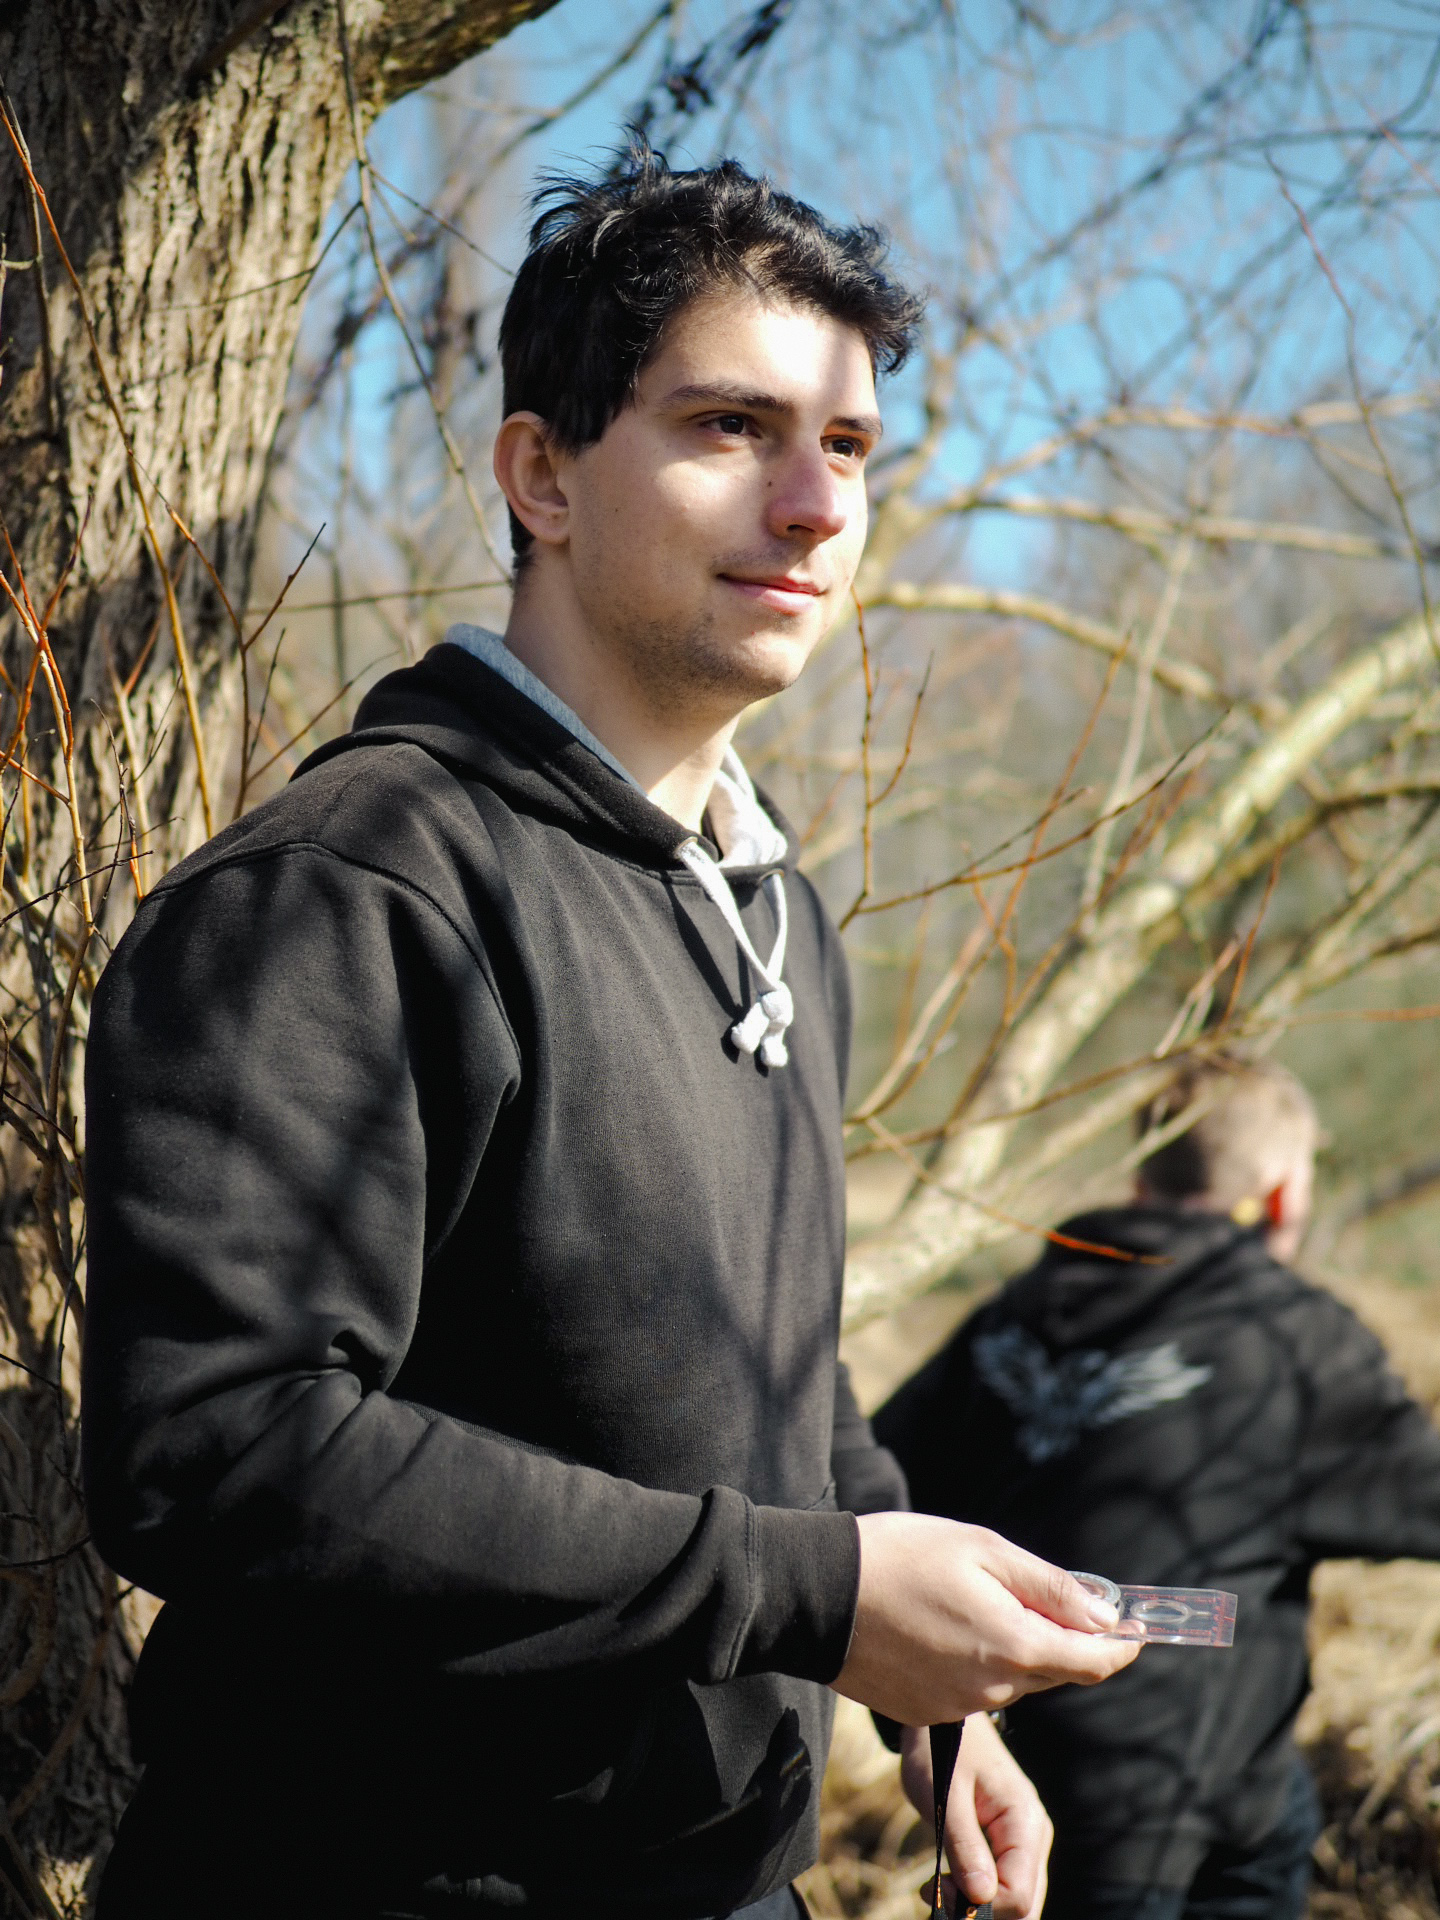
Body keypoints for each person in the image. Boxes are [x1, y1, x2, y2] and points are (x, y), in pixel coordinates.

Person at [81, 142, 1137, 1920]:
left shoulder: (771, 910)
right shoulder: (352, 889)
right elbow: (220, 1452)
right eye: (732, 427)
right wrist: (812, 1594)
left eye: (849, 445)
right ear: (541, 475)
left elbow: (773, 1375)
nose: (813, 506)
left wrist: (924, 1701)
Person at [874, 1054, 1440, 1920]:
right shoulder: (1293, 1340)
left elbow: (871, 1498)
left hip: (1031, 1768)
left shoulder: (1011, 1318)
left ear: (1142, 1177)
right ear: (1283, 1194)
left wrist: (918, 1716)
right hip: (1193, 1784)